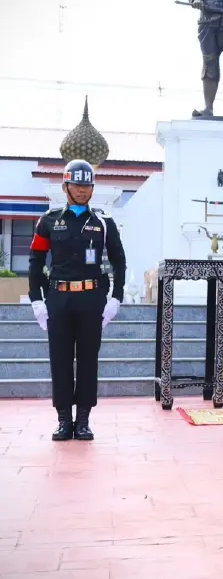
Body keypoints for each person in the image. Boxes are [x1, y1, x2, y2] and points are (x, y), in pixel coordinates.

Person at [28, 160, 127, 442]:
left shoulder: (103, 223)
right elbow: (35, 262)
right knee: (59, 359)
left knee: (87, 360)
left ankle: (83, 420)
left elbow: (119, 262)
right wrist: (37, 300)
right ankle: (63, 420)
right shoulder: (48, 221)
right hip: (58, 299)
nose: (83, 191)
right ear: (66, 187)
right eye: (77, 185)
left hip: (91, 299)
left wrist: (116, 299)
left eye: (87, 186)